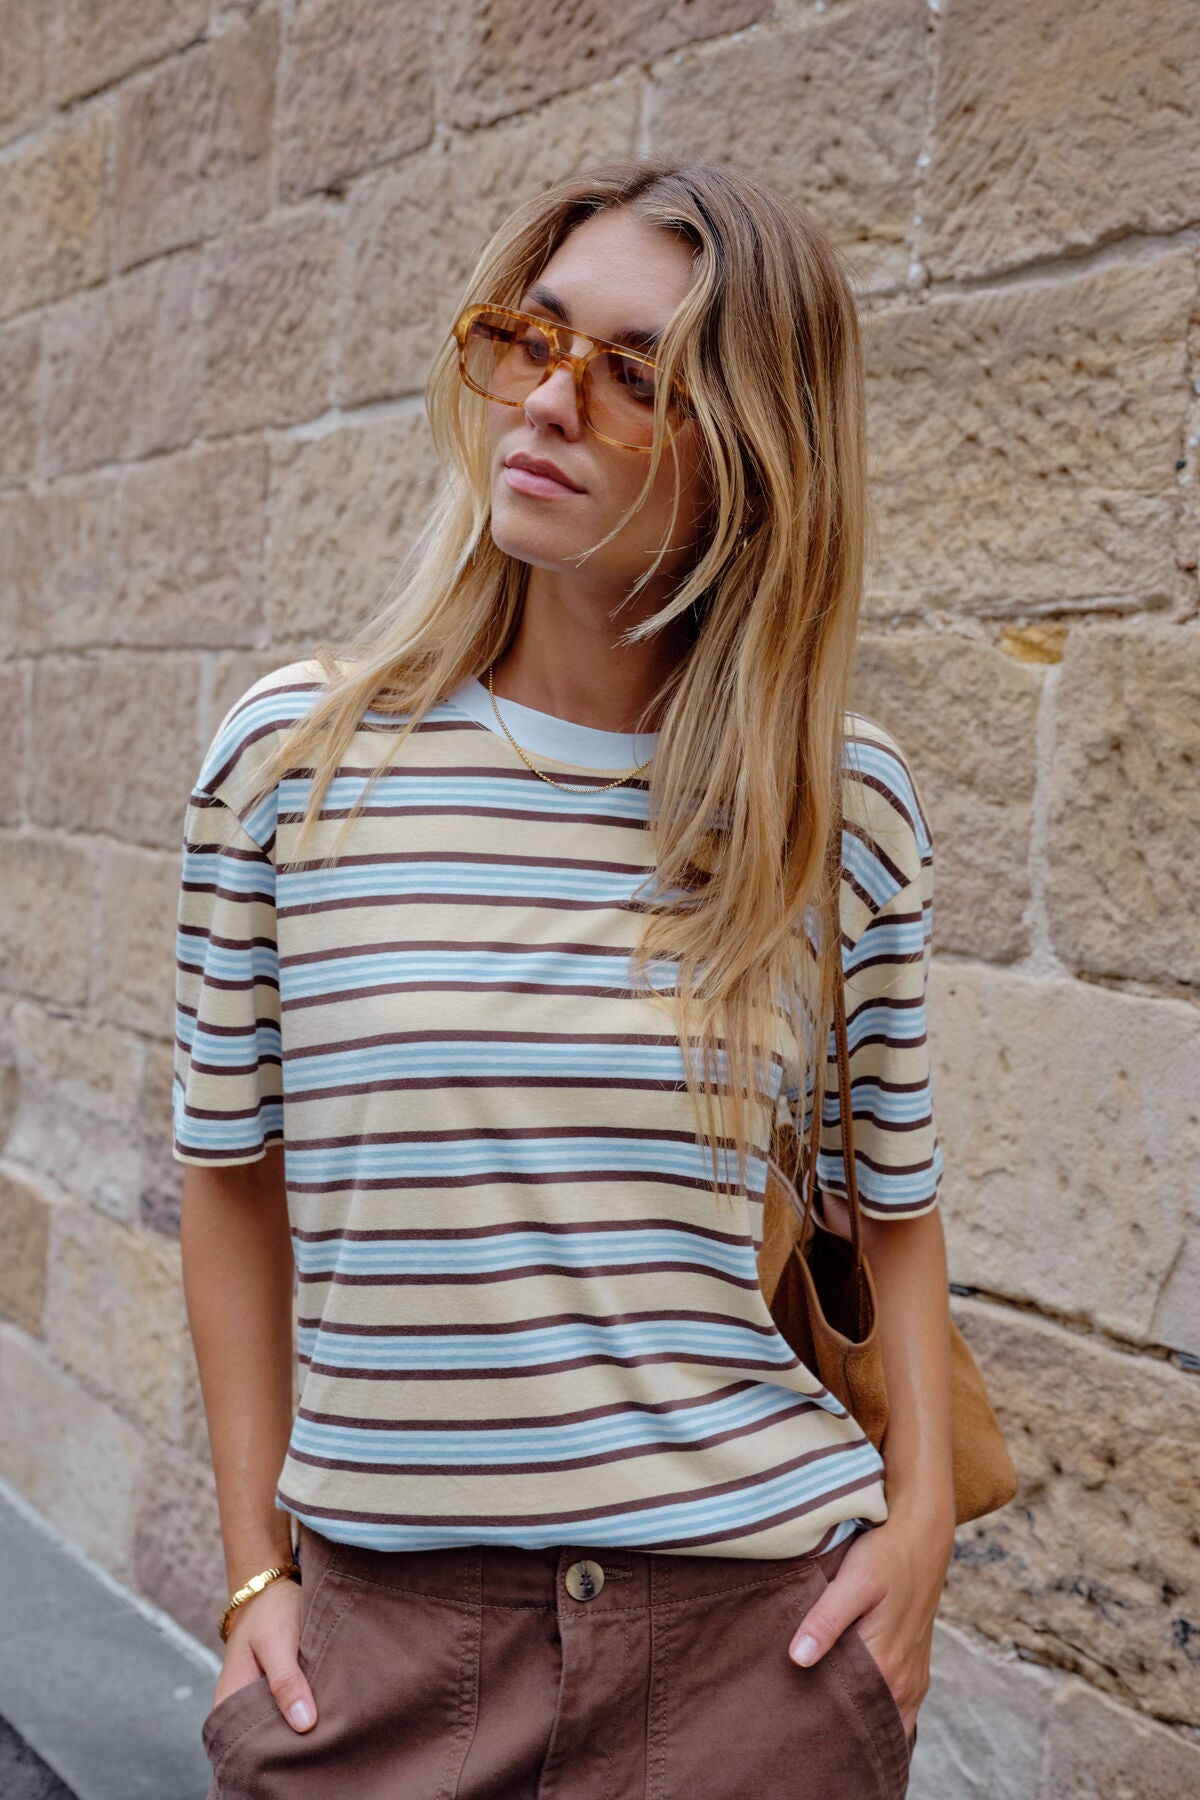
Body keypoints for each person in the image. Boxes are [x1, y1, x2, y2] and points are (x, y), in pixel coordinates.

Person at [176, 158, 955, 1800]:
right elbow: (227, 1175)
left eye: (634, 377)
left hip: (752, 1663)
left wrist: (925, 1530)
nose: (546, 399)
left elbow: (895, 1198)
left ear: (757, 458)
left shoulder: (838, 806)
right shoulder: (295, 764)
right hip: (379, 1663)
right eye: (533, 340)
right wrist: (254, 1572)